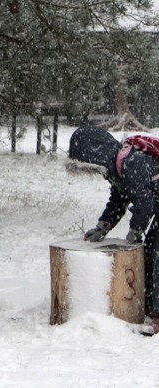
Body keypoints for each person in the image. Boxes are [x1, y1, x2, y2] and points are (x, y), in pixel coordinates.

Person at [67, 125, 159, 334]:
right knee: (149, 251)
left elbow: (144, 203)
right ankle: (149, 305)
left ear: (97, 154)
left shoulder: (132, 164)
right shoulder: (117, 168)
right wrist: (103, 226)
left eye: (90, 166)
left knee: (156, 252)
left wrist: (136, 230)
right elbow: (119, 200)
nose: (93, 172)